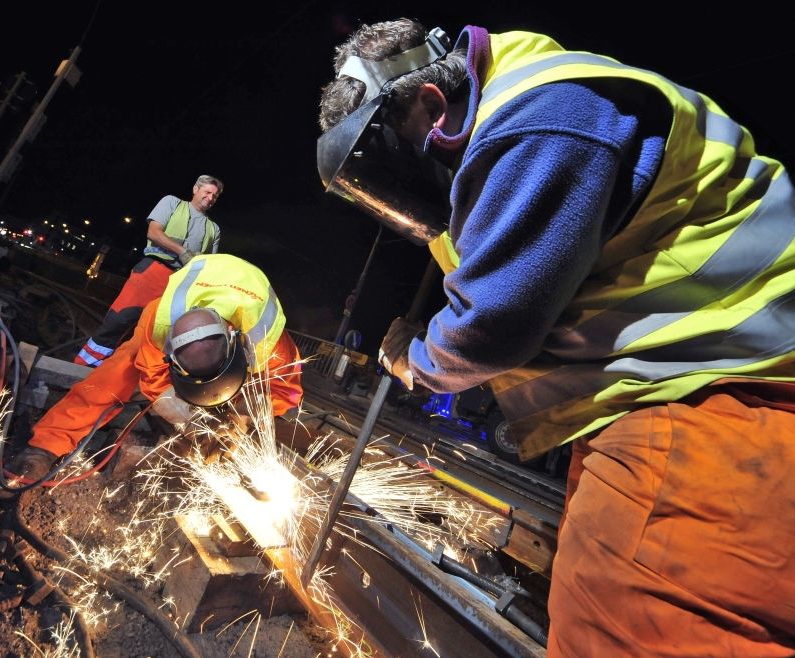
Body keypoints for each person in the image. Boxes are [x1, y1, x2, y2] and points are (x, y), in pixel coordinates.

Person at [317, 19, 795, 657]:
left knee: (620, 633)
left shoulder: (537, 121)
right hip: (694, 398)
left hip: (714, 407)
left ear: (432, 104)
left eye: (394, 163)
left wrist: (413, 358)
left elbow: (491, 329)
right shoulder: (524, 112)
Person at [12, 253, 302, 479]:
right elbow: (154, 381)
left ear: (236, 346)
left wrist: (240, 419)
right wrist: (192, 421)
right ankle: (46, 444)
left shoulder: (270, 338)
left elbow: (285, 392)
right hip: (191, 299)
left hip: (246, 305)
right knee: (117, 373)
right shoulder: (159, 322)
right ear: (172, 355)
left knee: (256, 397)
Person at [75, 175, 224, 367]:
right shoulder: (172, 203)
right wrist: (183, 252)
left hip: (180, 284)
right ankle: (83, 366)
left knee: (159, 336)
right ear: (195, 189)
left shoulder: (214, 229)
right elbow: (153, 232)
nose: (210, 198)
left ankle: (124, 377)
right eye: (207, 192)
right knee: (120, 320)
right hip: (153, 270)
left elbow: (208, 262)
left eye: (215, 195)